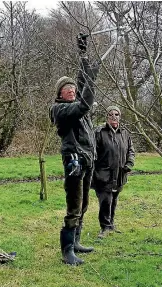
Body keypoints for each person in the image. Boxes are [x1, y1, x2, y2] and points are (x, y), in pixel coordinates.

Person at [50, 33, 99, 265]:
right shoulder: (60, 110)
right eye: (66, 88)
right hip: (73, 162)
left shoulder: (77, 105)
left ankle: (76, 241)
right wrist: (89, 83)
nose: (71, 90)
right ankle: (67, 250)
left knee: (85, 203)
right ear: (60, 94)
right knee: (74, 205)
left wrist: (84, 56)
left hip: (87, 160)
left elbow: (84, 84)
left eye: (72, 87)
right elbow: (85, 103)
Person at [93, 106, 135, 238]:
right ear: (107, 117)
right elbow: (92, 153)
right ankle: (104, 227)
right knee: (105, 200)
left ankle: (111, 224)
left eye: (116, 114)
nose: (114, 116)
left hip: (120, 174)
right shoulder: (99, 132)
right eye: (110, 114)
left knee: (114, 200)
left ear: (120, 116)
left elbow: (131, 150)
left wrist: (129, 163)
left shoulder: (124, 133)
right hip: (103, 174)